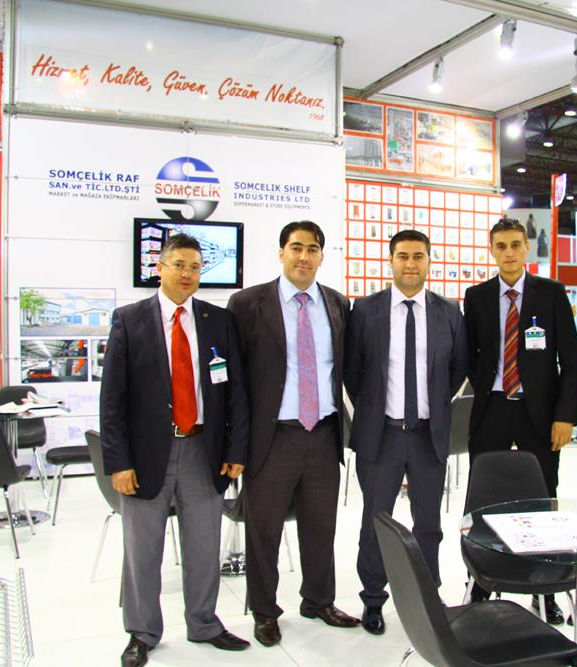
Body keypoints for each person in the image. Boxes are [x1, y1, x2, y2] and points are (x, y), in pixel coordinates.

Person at [100, 233, 251, 667]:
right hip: (148, 454)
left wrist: (236, 449)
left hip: (204, 449)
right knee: (142, 550)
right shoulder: (130, 320)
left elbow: (236, 393)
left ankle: (203, 623)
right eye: (179, 265)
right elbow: (112, 400)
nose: (187, 274)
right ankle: (142, 632)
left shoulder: (217, 320)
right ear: (160, 268)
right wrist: (119, 462)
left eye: (195, 267)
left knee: (204, 546)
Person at [226, 220, 359, 647]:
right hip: (271, 439)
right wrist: (235, 445)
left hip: (323, 434)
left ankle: (318, 601)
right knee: (263, 532)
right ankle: (265, 612)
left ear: (322, 256)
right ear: (281, 252)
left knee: (321, 527)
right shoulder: (247, 303)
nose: (304, 256)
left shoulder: (337, 304)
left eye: (313, 249)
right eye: (296, 247)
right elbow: (234, 382)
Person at [345, 230, 468, 635]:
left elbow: (458, 368)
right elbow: (353, 370)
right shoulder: (366, 310)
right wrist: (374, 409)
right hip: (382, 435)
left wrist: (433, 404)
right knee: (376, 522)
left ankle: (428, 595)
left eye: (418, 256)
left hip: (429, 436)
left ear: (429, 261)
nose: (410, 264)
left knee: (428, 523)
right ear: (391, 260)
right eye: (403, 256)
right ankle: (373, 598)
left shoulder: (449, 311)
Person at [463, 217, 577, 624]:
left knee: (543, 499)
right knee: (484, 499)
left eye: (515, 244)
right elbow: (469, 354)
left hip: (540, 413)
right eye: (501, 246)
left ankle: (544, 588)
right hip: (492, 409)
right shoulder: (477, 296)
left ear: (527, 248)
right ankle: (480, 580)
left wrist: (565, 416)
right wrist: (485, 382)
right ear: (491, 250)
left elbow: (572, 359)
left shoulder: (551, 293)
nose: (509, 252)